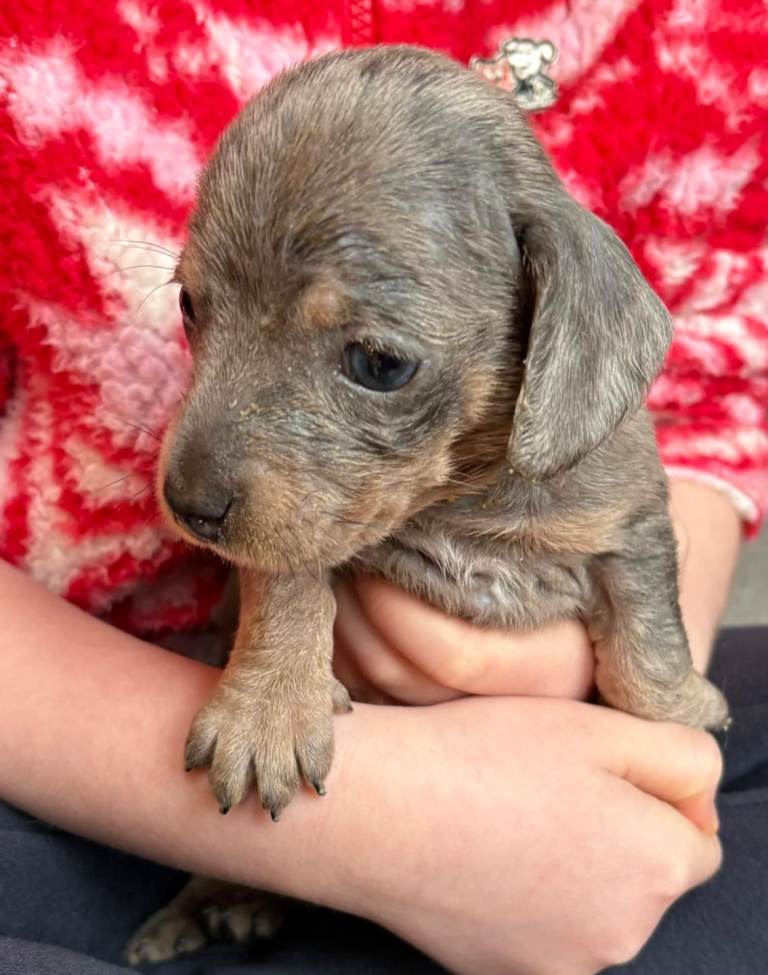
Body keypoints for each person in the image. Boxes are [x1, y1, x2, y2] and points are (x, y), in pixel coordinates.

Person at [0, 2, 766, 973]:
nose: (196, 477)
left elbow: (676, 470)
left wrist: (626, 704)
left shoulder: (697, 39)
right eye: (196, 308)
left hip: (552, 753)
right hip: (106, 722)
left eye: (374, 361)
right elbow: (279, 578)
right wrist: (380, 823)